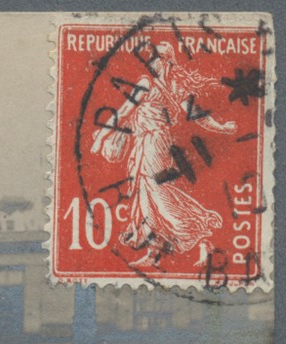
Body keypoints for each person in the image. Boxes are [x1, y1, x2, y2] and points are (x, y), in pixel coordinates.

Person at [90, 41, 236, 268]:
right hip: (145, 142)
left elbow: (195, 114)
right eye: (150, 58)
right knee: (145, 193)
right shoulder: (165, 84)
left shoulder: (156, 84)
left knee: (157, 193)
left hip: (154, 142)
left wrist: (221, 127)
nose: (150, 62)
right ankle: (154, 251)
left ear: (166, 61)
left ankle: (198, 235)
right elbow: (126, 110)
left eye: (155, 58)